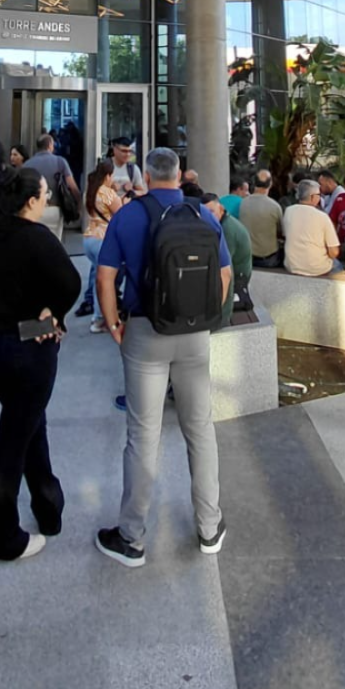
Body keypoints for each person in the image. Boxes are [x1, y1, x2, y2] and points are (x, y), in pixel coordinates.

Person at [94, 147, 232, 568]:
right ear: (176, 176)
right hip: (194, 334)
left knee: (143, 435)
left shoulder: (129, 215)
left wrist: (115, 324)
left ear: (148, 177)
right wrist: (202, 317)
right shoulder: (203, 215)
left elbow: (105, 275)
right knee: (200, 428)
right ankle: (210, 527)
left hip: (145, 333)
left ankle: (132, 537)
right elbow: (224, 274)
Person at [0, 168, 81, 563]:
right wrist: (51, 316)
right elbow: (69, 283)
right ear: (31, 201)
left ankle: (48, 504)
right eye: (45, 193)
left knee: (29, 424)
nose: (47, 198)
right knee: (14, 439)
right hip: (30, 347)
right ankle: (1, 536)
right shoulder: (37, 238)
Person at [77, 161, 122, 328]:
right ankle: (99, 318)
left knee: (98, 278)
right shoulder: (108, 193)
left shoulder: (90, 191)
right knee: (106, 282)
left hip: (89, 238)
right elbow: (120, 214)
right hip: (103, 239)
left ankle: (98, 317)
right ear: (108, 176)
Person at [201, 192, 253, 325]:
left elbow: (225, 271)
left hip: (238, 276)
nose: (208, 217)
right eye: (204, 213)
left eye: (211, 212)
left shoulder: (227, 229)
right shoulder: (221, 224)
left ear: (221, 209)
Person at [283, 180, 342, 277]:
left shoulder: (288, 211)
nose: (320, 197)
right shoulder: (322, 217)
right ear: (313, 197)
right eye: (319, 194)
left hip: (292, 266)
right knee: (339, 266)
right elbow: (334, 252)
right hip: (317, 268)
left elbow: (286, 235)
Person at [27, 133, 81, 241]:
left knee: (35, 242)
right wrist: (79, 203)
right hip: (54, 209)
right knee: (54, 243)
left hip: (33, 210)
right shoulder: (60, 161)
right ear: (50, 145)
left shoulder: (28, 164)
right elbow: (72, 186)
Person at [240, 169, 284, 267]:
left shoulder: (243, 203)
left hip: (247, 256)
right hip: (268, 259)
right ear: (270, 184)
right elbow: (281, 231)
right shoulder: (275, 207)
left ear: (254, 182)